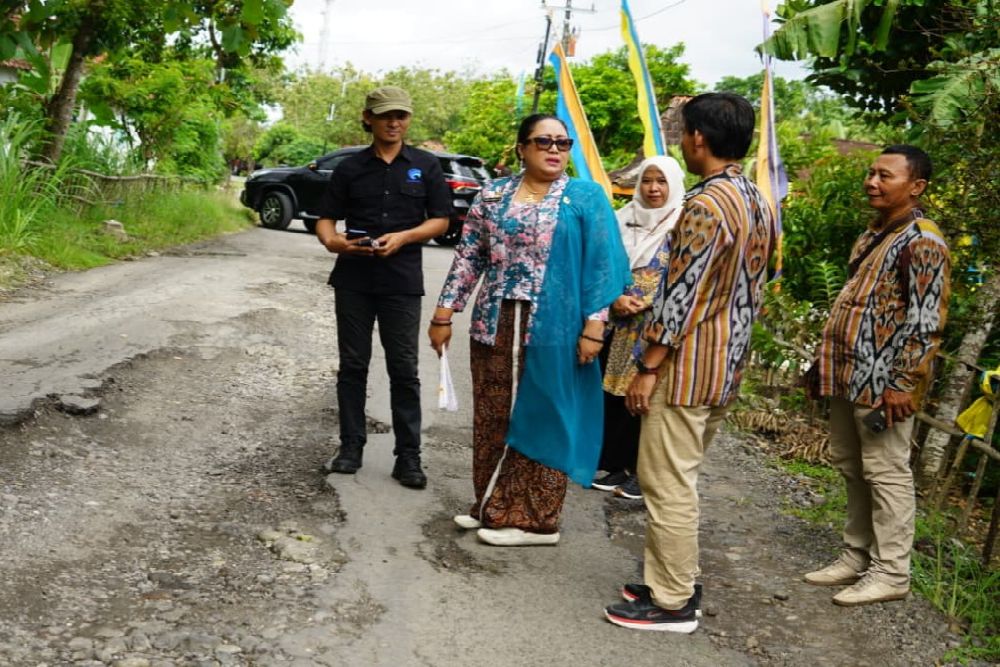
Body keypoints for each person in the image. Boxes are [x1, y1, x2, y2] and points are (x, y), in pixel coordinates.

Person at [603, 93, 777, 632]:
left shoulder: (705, 205)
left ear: (698, 138)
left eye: (684, 132)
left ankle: (673, 602)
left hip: (687, 367)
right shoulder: (754, 199)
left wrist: (648, 364)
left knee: (665, 482)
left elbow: (683, 295)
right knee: (680, 476)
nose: (682, 140)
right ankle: (671, 578)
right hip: (725, 364)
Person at [428, 113, 631, 547]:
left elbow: (601, 265)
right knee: (493, 414)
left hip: (556, 327)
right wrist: (445, 313)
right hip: (494, 321)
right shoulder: (495, 194)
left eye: (563, 142)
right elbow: (469, 258)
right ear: (522, 147)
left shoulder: (584, 198)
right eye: (544, 141)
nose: (555, 149)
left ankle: (538, 520)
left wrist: (596, 325)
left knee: (544, 415)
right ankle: (489, 503)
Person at [803, 145, 950, 606]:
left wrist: (904, 382)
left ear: (917, 186)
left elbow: (927, 321)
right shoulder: (877, 234)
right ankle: (856, 555)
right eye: (871, 173)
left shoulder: (923, 240)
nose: (872, 181)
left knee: (886, 471)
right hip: (851, 373)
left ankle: (892, 573)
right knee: (852, 465)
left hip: (885, 383)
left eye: (885, 176)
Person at [315, 85, 452, 490]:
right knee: (353, 365)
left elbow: (441, 220)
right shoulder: (350, 168)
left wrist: (405, 237)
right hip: (354, 278)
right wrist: (332, 241)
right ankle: (350, 447)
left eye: (402, 116)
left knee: (404, 369)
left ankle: (408, 456)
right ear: (368, 118)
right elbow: (326, 218)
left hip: (402, 281)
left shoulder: (426, 166)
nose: (394, 122)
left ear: (408, 119)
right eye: (386, 115)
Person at [591, 156, 686, 501]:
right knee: (617, 395)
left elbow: (683, 279)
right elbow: (602, 264)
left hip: (655, 327)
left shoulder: (682, 224)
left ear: (674, 185)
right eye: (647, 181)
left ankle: (642, 473)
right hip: (618, 321)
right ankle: (619, 463)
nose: (654, 189)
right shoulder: (622, 220)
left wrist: (648, 301)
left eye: (662, 181)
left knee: (646, 397)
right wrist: (614, 296)